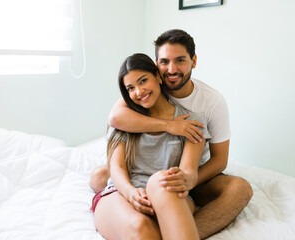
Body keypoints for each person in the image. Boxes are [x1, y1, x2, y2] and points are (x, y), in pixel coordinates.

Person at [90, 29, 253, 239]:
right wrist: (169, 126)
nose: (172, 69)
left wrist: (187, 180)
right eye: (165, 61)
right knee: (139, 224)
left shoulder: (205, 108)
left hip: (174, 187)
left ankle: (178, 230)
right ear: (158, 67)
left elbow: (213, 162)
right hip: (129, 191)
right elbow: (117, 159)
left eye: (180, 60)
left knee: (163, 181)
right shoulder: (128, 113)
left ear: (193, 61)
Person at [93, 53, 211, 240]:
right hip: (123, 193)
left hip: (168, 193)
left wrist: (185, 179)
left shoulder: (192, 121)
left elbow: (189, 171)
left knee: (162, 180)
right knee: (142, 228)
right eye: (130, 88)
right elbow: (117, 168)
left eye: (143, 81)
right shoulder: (125, 121)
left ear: (157, 76)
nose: (138, 92)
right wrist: (131, 193)